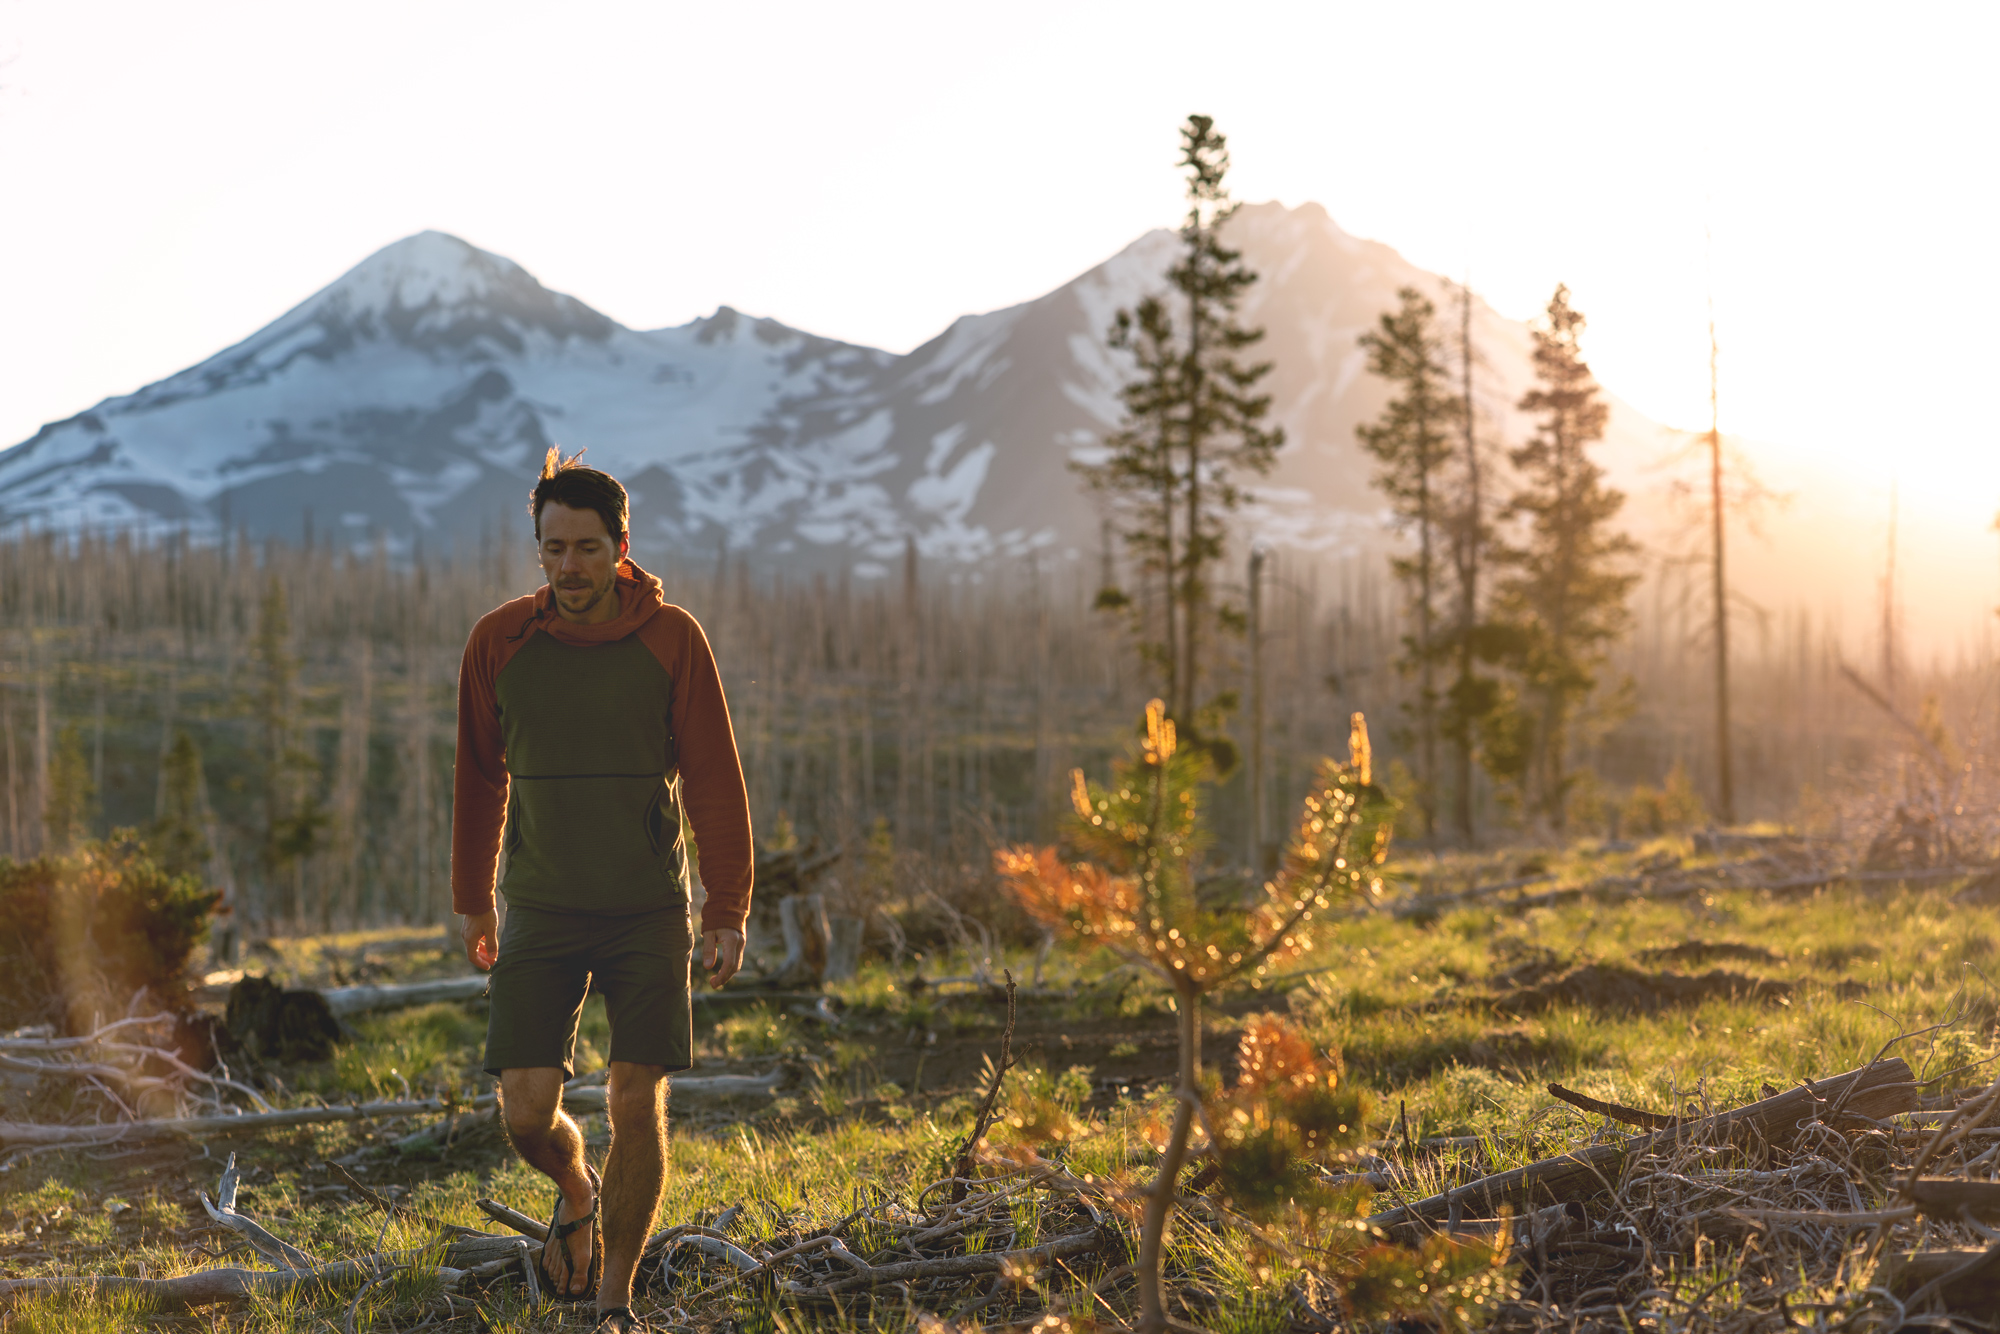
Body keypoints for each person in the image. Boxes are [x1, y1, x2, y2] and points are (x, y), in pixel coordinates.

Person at [452, 448, 753, 1334]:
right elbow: (479, 777)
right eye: (554, 549)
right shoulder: (499, 642)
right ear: (538, 549)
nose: (570, 566)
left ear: (622, 547)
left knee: (634, 1095)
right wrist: (475, 898)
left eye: (587, 549)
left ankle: (615, 1300)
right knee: (524, 1112)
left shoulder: (672, 639)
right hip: (539, 906)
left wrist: (726, 907)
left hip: (648, 911)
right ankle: (575, 1186)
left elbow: (713, 780)